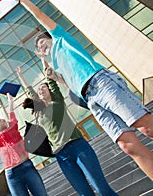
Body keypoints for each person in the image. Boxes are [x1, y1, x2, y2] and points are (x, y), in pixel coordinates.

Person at [7, 0, 153, 181]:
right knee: (128, 146)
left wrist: (21, 0)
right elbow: (73, 87)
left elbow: (40, 15)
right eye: (38, 48)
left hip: (100, 83)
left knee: (146, 128)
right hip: (90, 98)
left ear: (50, 37)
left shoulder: (61, 39)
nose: (41, 46)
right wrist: (55, 77)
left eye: (42, 42)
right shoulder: (58, 65)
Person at [17, 65, 117, 195]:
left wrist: (43, 62)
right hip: (61, 156)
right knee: (84, 193)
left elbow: (51, 81)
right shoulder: (39, 110)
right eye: (39, 89)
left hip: (77, 146)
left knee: (101, 188)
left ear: (50, 91)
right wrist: (20, 76)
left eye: (43, 87)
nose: (40, 90)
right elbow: (30, 91)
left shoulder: (57, 101)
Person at [0, 93, 47, 196]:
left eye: (0, 120)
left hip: (26, 167)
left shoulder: (13, 127)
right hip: (11, 174)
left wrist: (10, 100)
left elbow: (11, 113)